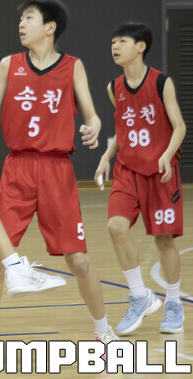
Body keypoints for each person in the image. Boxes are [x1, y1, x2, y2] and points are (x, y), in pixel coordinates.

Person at [0, 0, 119, 345]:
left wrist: (93, 127)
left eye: (29, 18)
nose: (21, 24)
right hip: (17, 169)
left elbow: (92, 115)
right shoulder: (8, 64)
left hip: (57, 170)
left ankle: (103, 332)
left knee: (79, 261)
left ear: (50, 27)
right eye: (21, 19)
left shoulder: (72, 66)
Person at [95, 22, 185, 335]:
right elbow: (123, 129)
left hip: (160, 172)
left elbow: (179, 126)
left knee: (164, 240)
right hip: (127, 171)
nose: (115, 46)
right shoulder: (113, 87)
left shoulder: (161, 82)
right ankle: (139, 296)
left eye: (121, 41)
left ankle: (173, 302)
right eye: (113, 42)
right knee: (115, 227)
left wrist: (166, 154)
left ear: (140, 46)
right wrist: (107, 156)